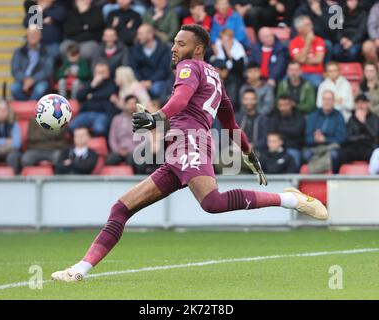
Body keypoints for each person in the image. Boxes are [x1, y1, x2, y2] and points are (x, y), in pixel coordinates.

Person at [51, 25, 328, 282]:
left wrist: (155, 118)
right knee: (121, 208)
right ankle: (80, 270)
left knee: (212, 202)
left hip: (189, 143)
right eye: (173, 43)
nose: (174, 48)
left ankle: (288, 200)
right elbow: (231, 125)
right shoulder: (215, 79)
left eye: (180, 43)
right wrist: (249, 154)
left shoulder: (189, 67)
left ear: (197, 49)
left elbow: (181, 100)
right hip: (179, 150)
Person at [69, 61, 118, 136]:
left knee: (99, 129)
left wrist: (92, 95)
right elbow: (79, 97)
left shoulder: (112, 83)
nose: (100, 75)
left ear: (108, 72)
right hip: (86, 112)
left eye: (103, 72)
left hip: (102, 113)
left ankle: (92, 143)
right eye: (98, 72)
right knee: (71, 126)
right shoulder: (90, 83)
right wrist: (92, 86)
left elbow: (109, 93)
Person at [303, 90, 347, 173]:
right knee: (305, 154)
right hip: (314, 146)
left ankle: (333, 179)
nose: (327, 102)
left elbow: (342, 138)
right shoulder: (313, 116)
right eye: (325, 99)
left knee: (335, 155)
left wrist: (325, 139)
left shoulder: (339, 116)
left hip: (331, 147)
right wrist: (315, 139)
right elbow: (307, 138)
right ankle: (311, 181)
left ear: (334, 101)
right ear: (321, 101)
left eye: (329, 99)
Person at [128, 24, 172, 103]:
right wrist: (141, 81)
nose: (138, 37)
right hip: (141, 80)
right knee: (133, 88)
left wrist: (150, 81)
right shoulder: (136, 49)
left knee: (156, 88)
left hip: (159, 80)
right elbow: (134, 67)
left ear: (150, 34)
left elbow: (163, 69)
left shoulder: (164, 48)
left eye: (141, 34)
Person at [10, 26, 53, 101]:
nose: (33, 36)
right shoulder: (19, 51)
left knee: (40, 89)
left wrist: (33, 80)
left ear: (40, 36)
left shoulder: (47, 51)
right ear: (27, 37)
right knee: (14, 88)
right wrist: (25, 79)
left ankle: (31, 106)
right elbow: (15, 69)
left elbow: (48, 70)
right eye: (30, 34)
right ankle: (26, 106)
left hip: (40, 80)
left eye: (35, 34)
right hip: (22, 80)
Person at [212, 28, 246, 111]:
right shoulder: (217, 47)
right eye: (222, 39)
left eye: (226, 39)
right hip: (219, 77)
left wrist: (228, 52)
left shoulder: (238, 48)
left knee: (233, 84)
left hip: (235, 78)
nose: (224, 42)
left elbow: (239, 68)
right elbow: (214, 63)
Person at [268, 95, 305, 170]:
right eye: (281, 105)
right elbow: (272, 131)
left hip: (293, 147)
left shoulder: (299, 116)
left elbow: (296, 131)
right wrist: (289, 130)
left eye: (286, 105)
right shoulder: (274, 116)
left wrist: (280, 129)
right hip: (276, 146)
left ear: (291, 105)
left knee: (294, 155)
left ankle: (293, 181)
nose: (283, 108)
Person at [340, 94, 379, 166]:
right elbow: (348, 137)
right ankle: (344, 176)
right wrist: (363, 137)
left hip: (369, 147)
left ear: (368, 104)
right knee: (343, 153)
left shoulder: (374, 118)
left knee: (375, 155)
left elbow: (375, 136)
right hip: (354, 147)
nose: (360, 105)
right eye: (358, 103)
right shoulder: (352, 119)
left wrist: (364, 122)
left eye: (363, 102)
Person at [289, 15, 326, 88]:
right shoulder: (293, 43)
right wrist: (308, 42)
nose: (311, 27)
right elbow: (301, 59)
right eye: (307, 25)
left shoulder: (319, 40)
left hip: (315, 73)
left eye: (311, 24)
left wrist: (302, 59)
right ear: (299, 29)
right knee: (284, 83)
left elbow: (318, 59)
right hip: (299, 73)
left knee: (317, 84)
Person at [105, 95, 141, 167]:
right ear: (125, 105)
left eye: (134, 104)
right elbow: (112, 139)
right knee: (110, 160)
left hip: (135, 151)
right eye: (129, 104)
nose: (131, 106)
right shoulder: (117, 119)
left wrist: (131, 150)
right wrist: (118, 150)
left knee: (135, 161)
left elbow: (144, 141)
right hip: (119, 151)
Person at [0, 100, 22, 174]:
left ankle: (15, 181)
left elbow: (17, 144)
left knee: (12, 157)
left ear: (8, 112)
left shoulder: (13, 124)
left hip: (12, 152)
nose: (1, 112)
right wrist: (6, 141)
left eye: (4, 110)